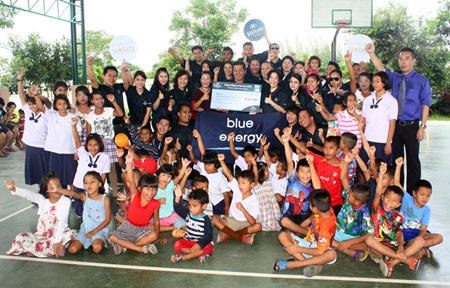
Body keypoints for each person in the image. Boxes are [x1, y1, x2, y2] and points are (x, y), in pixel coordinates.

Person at [367, 44, 431, 193]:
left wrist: (422, 126)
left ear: (414, 61)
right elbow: (381, 69)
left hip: (412, 126)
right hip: (396, 126)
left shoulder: (422, 81)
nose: (403, 62)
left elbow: (425, 105)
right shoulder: (395, 78)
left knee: (413, 161)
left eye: (407, 59)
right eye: (401, 59)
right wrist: (371, 53)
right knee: (397, 161)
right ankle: (398, 192)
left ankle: (412, 193)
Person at [365, 163, 424, 277]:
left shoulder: (398, 217)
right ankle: (403, 259)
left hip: (394, 246)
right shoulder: (376, 209)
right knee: (368, 241)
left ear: (398, 204)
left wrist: (401, 247)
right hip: (379, 246)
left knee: (420, 241)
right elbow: (377, 192)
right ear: (383, 197)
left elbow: (398, 233)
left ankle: (391, 262)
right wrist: (381, 175)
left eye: (394, 201)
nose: (389, 202)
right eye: (387, 198)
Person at [6, 172, 75, 257]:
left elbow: (62, 222)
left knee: (67, 236)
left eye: (59, 186)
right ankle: (36, 249)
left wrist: (57, 241)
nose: (57, 189)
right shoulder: (42, 200)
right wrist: (13, 189)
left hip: (59, 234)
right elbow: (28, 195)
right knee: (21, 238)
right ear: (46, 189)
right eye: (53, 187)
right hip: (42, 235)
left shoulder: (65, 201)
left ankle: (45, 248)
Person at [274, 189, 337, 277]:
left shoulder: (325, 228)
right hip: (308, 243)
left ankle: (294, 264)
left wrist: (298, 249)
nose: (308, 205)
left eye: (309, 204)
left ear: (314, 208)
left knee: (331, 254)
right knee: (283, 235)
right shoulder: (325, 210)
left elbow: (319, 252)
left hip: (320, 250)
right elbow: (303, 227)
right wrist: (309, 219)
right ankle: (310, 264)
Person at [109, 153, 160, 255]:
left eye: (154, 189)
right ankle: (139, 248)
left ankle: (126, 245)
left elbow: (157, 221)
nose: (151, 192)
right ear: (140, 189)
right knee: (112, 237)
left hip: (142, 229)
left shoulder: (156, 204)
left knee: (153, 235)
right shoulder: (135, 195)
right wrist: (128, 163)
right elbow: (131, 179)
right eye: (148, 188)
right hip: (128, 226)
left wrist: (158, 236)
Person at [53, 171, 111, 254]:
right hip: (86, 229)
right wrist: (58, 190)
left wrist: (93, 232)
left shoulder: (105, 199)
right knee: (72, 250)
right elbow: (73, 193)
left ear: (100, 184)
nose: (89, 185)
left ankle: (97, 240)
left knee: (97, 248)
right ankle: (78, 241)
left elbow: (108, 220)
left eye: (92, 182)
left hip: (99, 230)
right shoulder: (84, 196)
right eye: (86, 183)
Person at [394, 158, 443, 254]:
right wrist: (399, 166)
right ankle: (415, 248)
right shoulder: (407, 198)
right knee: (396, 235)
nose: (425, 198)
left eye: (428, 196)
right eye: (422, 194)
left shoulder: (427, 210)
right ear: (414, 193)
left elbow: (423, 230)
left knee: (439, 238)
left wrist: (417, 240)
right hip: (402, 231)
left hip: (416, 233)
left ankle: (413, 246)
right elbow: (396, 183)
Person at [212, 154, 262, 245]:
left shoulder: (254, 199)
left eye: (243, 183)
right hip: (232, 221)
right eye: (239, 183)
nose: (240, 185)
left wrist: (242, 209)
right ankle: (239, 237)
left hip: (245, 224)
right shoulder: (236, 188)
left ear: (252, 185)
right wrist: (221, 161)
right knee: (214, 218)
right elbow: (228, 174)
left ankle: (229, 234)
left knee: (258, 226)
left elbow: (252, 222)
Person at [333, 156, 374, 261]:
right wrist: (346, 163)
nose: (347, 195)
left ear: (357, 202)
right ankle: (351, 252)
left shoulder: (364, 212)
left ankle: (344, 246)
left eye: (350, 195)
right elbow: (343, 178)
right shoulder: (349, 199)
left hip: (352, 238)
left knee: (367, 244)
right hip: (337, 232)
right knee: (324, 235)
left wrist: (350, 242)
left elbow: (369, 233)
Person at [279, 129, 320, 235]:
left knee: (314, 218)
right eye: (302, 172)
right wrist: (286, 142)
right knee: (284, 222)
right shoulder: (293, 180)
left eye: (308, 172)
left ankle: (297, 231)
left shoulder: (313, 186)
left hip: (304, 217)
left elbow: (318, 187)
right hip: (289, 216)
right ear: (296, 173)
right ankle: (305, 232)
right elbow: (289, 161)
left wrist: (311, 164)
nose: (305, 175)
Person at [292, 135, 344, 215]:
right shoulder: (319, 161)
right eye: (325, 148)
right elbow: (304, 149)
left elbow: (344, 185)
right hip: (320, 202)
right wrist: (289, 137)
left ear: (338, 150)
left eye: (331, 148)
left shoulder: (342, 166)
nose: (327, 150)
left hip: (336, 203)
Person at [86, 91, 124, 195]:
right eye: (96, 99)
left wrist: (113, 101)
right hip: (97, 145)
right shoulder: (89, 116)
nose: (100, 101)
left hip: (109, 142)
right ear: (92, 101)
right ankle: (98, 192)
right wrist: (88, 148)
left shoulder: (109, 111)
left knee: (112, 169)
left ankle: (115, 192)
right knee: (98, 169)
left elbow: (120, 113)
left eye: (101, 98)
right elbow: (89, 133)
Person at [41, 94, 81, 188]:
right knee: (56, 177)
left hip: (70, 151)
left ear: (67, 104)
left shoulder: (74, 117)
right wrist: (36, 96)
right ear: (56, 105)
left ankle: (73, 197)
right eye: (59, 104)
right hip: (55, 151)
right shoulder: (51, 116)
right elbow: (40, 107)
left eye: (64, 104)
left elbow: (77, 136)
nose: (62, 106)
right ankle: (62, 196)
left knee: (72, 176)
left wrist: (78, 151)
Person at [16, 75, 50, 184]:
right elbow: (21, 95)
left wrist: (36, 95)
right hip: (31, 146)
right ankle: (40, 193)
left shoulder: (46, 114)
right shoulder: (27, 111)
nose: (32, 106)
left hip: (43, 147)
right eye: (30, 104)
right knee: (35, 173)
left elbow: (46, 103)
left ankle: (47, 193)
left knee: (46, 173)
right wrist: (19, 80)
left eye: (34, 104)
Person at [188, 130, 230, 215]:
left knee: (218, 219)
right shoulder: (203, 168)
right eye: (205, 164)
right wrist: (198, 137)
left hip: (218, 201)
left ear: (216, 164)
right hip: (203, 199)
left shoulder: (221, 177)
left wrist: (227, 208)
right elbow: (202, 153)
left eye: (209, 165)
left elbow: (226, 195)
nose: (206, 167)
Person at [71, 126, 110, 216]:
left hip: (94, 188)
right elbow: (77, 141)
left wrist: (100, 188)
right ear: (86, 146)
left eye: (95, 145)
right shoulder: (83, 154)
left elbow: (103, 175)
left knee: (92, 209)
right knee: (80, 211)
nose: (93, 148)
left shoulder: (105, 157)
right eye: (90, 145)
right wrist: (74, 126)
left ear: (100, 144)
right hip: (80, 186)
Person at [361, 71, 397, 163]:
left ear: (384, 83)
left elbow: (392, 124)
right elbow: (363, 121)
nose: (375, 84)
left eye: (378, 81)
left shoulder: (391, 101)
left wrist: (388, 143)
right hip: (368, 139)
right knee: (365, 167)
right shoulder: (368, 100)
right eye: (373, 82)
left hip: (382, 140)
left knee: (381, 169)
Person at [170, 189, 214, 263]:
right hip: (189, 242)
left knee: (208, 246)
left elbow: (208, 236)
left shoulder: (206, 220)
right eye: (189, 205)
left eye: (194, 206)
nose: (190, 208)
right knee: (177, 244)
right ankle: (195, 253)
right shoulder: (188, 214)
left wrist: (199, 244)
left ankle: (184, 257)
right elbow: (178, 209)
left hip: (200, 243)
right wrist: (177, 197)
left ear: (204, 206)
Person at [87, 56, 126, 130]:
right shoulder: (100, 88)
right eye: (109, 76)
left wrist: (124, 70)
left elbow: (128, 82)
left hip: (121, 124)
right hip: (107, 126)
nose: (112, 78)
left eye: (114, 76)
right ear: (103, 76)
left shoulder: (119, 87)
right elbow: (93, 79)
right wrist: (89, 65)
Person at [154, 159, 190, 232]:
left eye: (168, 176)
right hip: (159, 218)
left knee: (185, 226)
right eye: (163, 175)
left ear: (171, 178)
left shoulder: (170, 185)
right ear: (158, 176)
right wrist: (158, 201)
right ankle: (173, 228)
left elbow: (179, 177)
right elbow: (148, 201)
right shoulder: (154, 188)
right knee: (153, 227)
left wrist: (184, 166)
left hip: (172, 215)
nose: (165, 178)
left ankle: (181, 230)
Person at [251, 160, 281, 231]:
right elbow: (255, 176)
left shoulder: (268, 182)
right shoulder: (256, 185)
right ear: (260, 173)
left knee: (272, 220)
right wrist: (254, 166)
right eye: (267, 171)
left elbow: (272, 200)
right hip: (262, 209)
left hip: (270, 207)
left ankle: (272, 222)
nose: (269, 172)